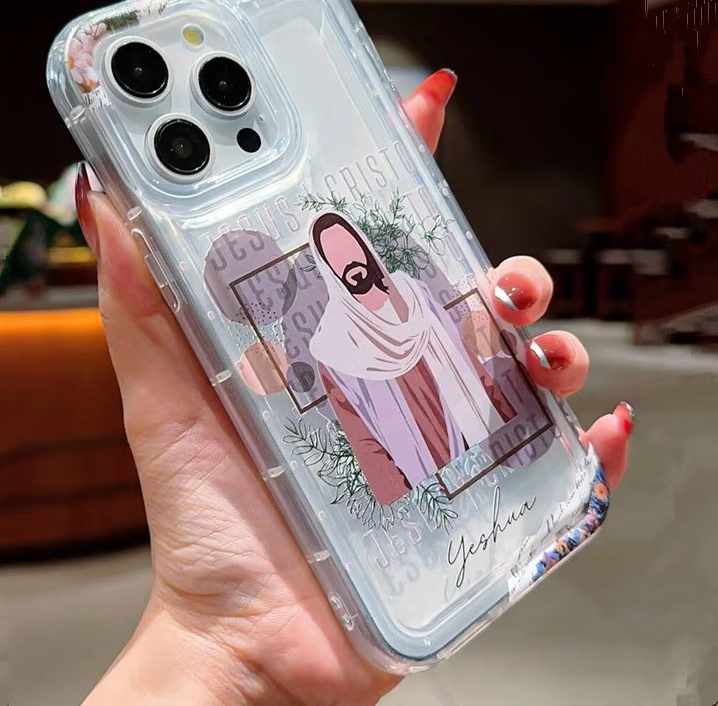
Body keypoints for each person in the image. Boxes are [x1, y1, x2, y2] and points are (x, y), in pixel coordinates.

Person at [74, 69, 634, 705]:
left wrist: (495, 363)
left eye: (357, 253)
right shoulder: (332, 347)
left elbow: (481, 373)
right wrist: (226, 652)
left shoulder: (418, 293)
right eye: (340, 263)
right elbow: (369, 449)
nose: (356, 268)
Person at [310, 211, 516, 504]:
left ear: (363, 246)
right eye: (334, 255)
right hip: (424, 474)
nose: (349, 262)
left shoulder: (413, 294)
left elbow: (466, 362)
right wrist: (404, 501)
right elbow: (362, 439)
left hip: (477, 435)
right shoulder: (333, 346)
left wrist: (508, 426)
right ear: (327, 268)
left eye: (349, 247)